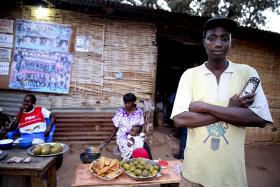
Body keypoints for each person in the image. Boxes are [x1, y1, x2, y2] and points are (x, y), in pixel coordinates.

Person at [171, 17, 273, 187]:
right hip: (193, 171)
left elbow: (260, 119)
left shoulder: (247, 73)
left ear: (231, 42)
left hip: (231, 175)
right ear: (204, 42)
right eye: (212, 38)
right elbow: (180, 120)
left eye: (225, 38)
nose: (218, 43)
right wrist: (231, 110)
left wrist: (204, 107)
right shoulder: (190, 75)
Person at [103, 93, 152, 160]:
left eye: (128, 103)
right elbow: (115, 128)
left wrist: (139, 136)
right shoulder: (120, 112)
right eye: (125, 103)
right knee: (129, 148)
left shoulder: (139, 112)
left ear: (133, 102)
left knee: (146, 147)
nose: (126, 105)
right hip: (122, 137)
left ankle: (150, 162)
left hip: (135, 136)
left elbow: (140, 127)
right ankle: (126, 163)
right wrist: (108, 139)